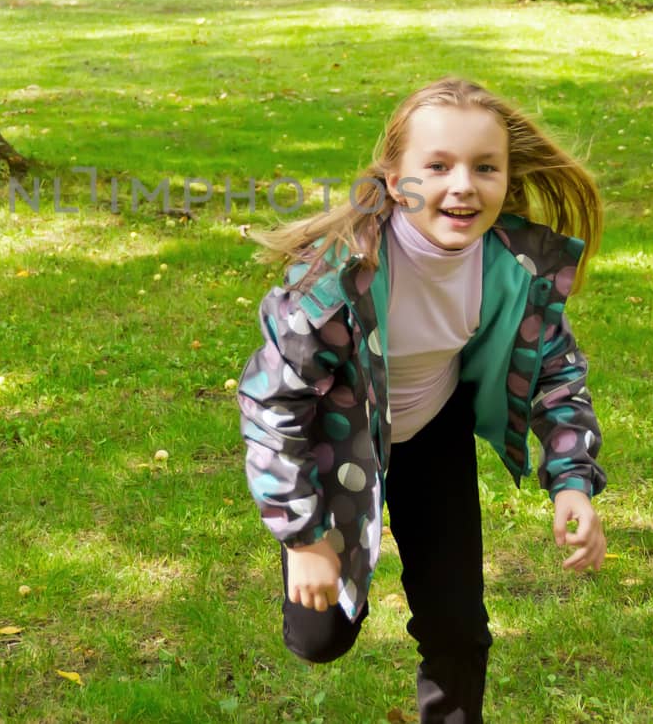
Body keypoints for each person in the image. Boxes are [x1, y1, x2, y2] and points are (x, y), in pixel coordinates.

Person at [237, 77, 608, 723]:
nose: (462, 185)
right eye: (437, 166)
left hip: (433, 433)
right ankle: (332, 557)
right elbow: (273, 404)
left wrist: (571, 481)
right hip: (339, 440)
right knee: (320, 636)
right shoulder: (338, 274)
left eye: (484, 167)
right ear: (393, 176)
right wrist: (303, 537)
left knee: (457, 626)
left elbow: (556, 372)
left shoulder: (511, 264)